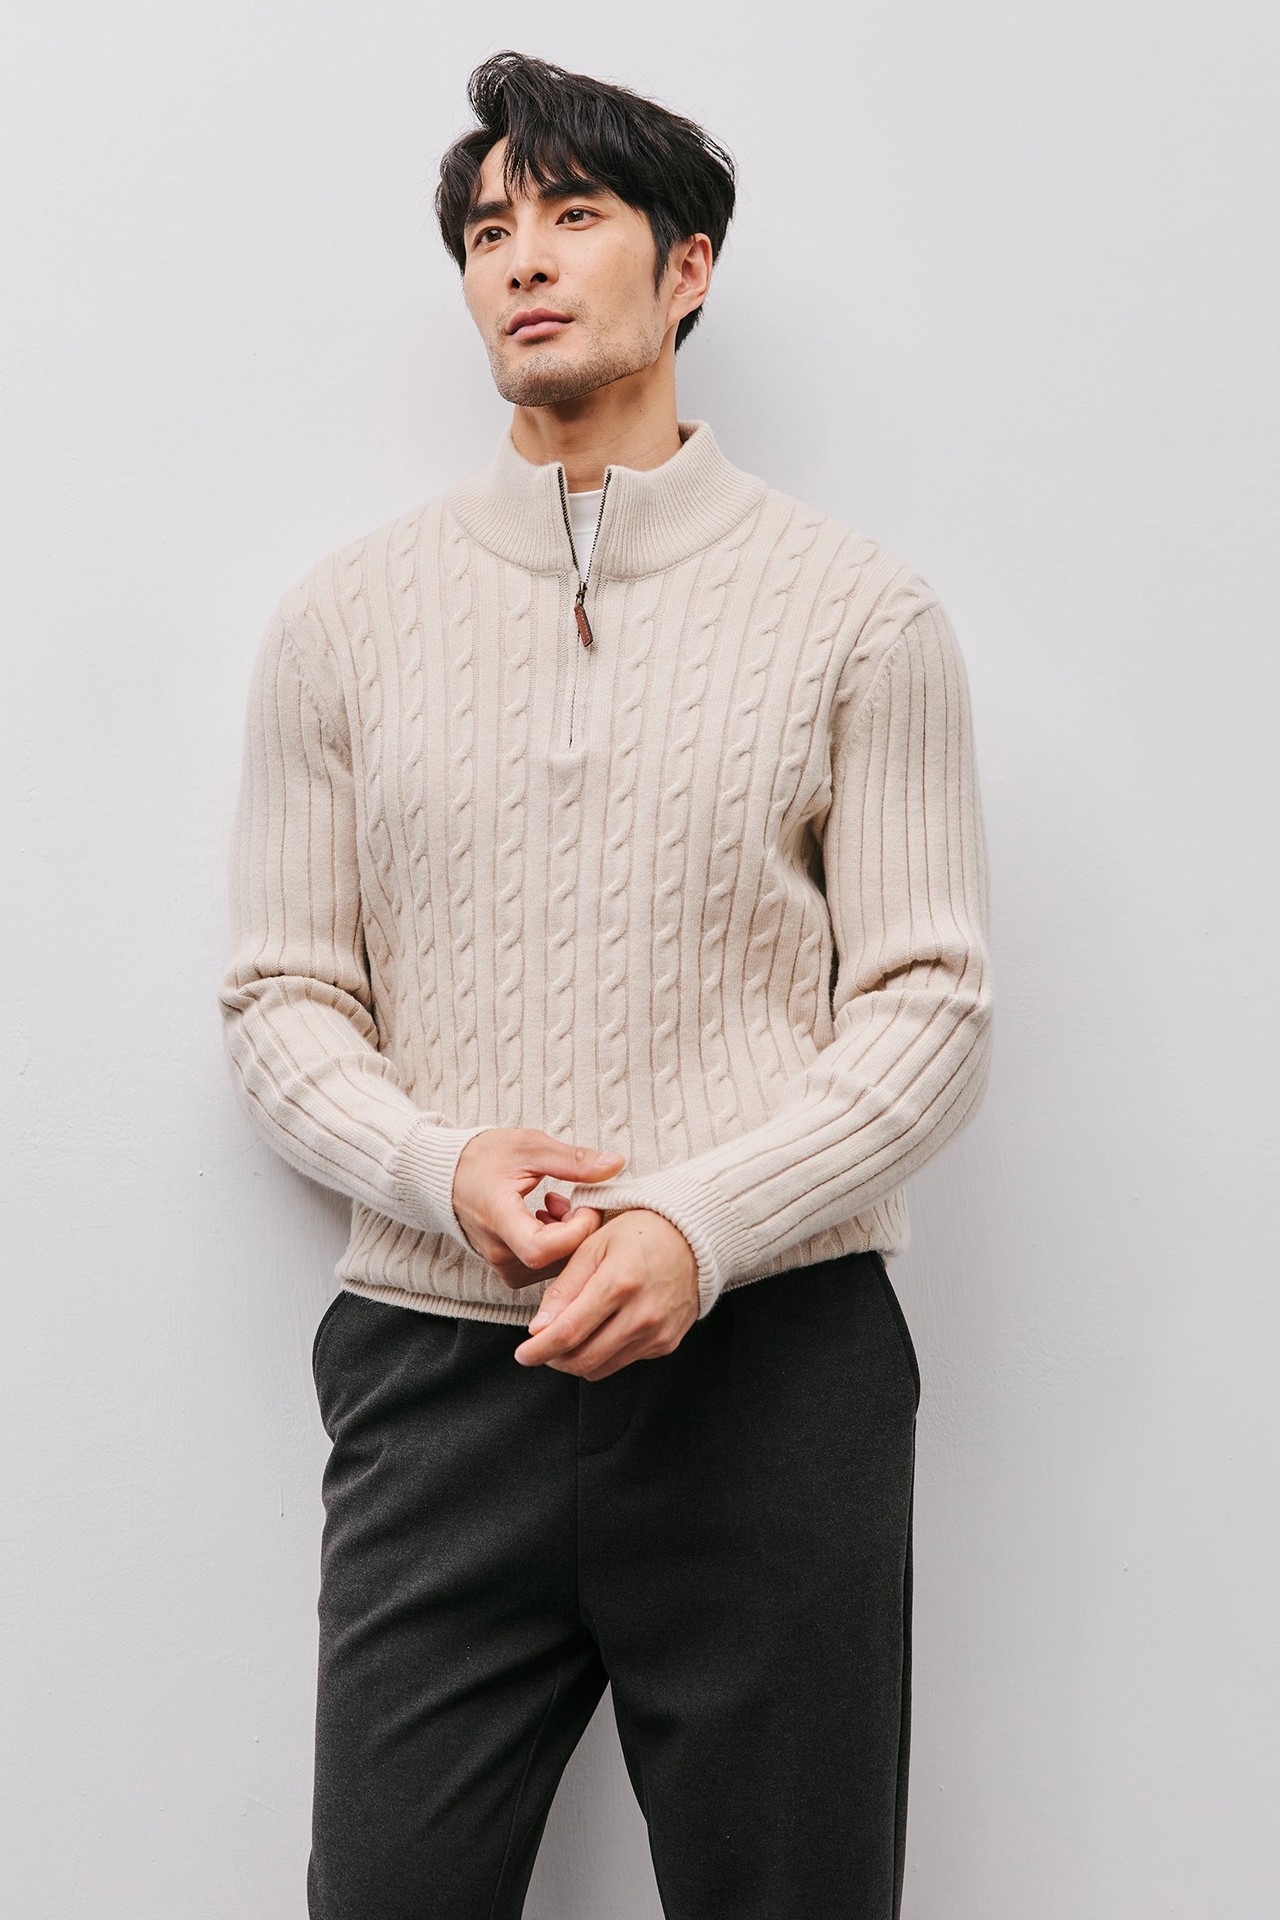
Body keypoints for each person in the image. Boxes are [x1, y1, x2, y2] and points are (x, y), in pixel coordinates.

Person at [218, 46, 995, 1920]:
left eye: (574, 215)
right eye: (490, 231)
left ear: (689, 265)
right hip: (439, 1372)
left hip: (772, 1371)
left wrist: (697, 1225)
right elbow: (280, 999)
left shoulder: (860, 613)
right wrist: (442, 1166)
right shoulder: (341, 623)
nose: (524, 260)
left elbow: (930, 1008)